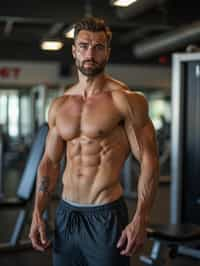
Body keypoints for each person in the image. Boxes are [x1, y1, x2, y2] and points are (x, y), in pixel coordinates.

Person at [29, 16, 159, 266]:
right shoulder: (60, 105)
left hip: (105, 215)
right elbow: (50, 162)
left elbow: (149, 160)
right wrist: (37, 212)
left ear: (108, 53)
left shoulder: (125, 100)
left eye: (99, 47)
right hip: (66, 213)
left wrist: (141, 218)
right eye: (84, 45)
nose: (91, 53)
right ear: (74, 50)